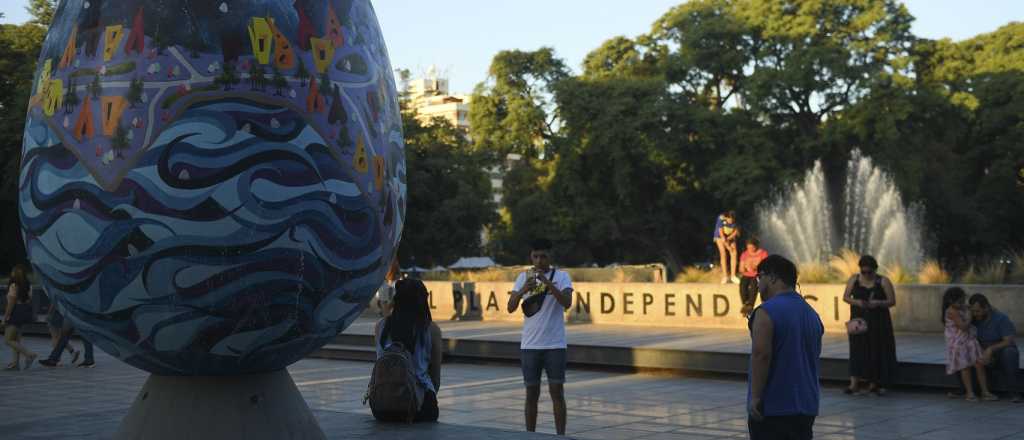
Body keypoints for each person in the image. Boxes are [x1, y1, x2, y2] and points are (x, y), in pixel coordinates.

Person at [748, 255, 823, 440]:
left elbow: (761, 355)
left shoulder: (766, 312)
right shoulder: (812, 314)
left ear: (772, 277)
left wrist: (756, 397)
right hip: (806, 405)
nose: (758, 284)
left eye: (759, 277)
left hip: (774, 406)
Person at [507, 238, 573, 436]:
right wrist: (523, 290)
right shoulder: (523, 277)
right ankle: (530, 435)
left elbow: (567, 302)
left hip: (555, 345)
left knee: (557, 392)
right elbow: (510, 307)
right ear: (531, 256)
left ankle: (560, 435)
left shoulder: (562, 276)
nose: (539, 261)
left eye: (543, 256)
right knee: (531, 394)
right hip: (530, 346)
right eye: (535, 256)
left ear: (550, 256)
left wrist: (547, 283)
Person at [373, 279, 443, 422]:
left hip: (382, 406)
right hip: (420, 408)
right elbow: (435, 377)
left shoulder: (381, 326)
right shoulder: (431, 329)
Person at [842, 255, 897, 395]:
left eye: (869, 272)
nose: (866, 275)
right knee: (856, 350)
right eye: (863, 272)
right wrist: (857, 302)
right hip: (858, 320)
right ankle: (854, 383)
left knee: (875, 349)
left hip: (878, 321)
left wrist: (878, 303)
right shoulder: (854, 280)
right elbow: (846, 297)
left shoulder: (883, 281)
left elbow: (892, 301)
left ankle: (874, 383)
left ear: (875, 270)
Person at [942, 287, 997, 401]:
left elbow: (971, 308)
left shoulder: (962, 307)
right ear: (951, 301)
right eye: (959, 302)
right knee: (965, 367)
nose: (962, 304)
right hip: (959, 343)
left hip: (969, 340)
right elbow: (963, 327)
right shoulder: (951, 311)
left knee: (979, 364)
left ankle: (985, 392)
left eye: (963, 301)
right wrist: (970, 317)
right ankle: (970, 393)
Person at [969, 294, 1021, 402]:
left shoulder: (1001, 318)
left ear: (986, 308)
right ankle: (966, 390)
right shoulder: (972, 319)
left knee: (1010, 352)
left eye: (978, 311)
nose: (975, 314)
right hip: (981, 354)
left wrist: (991, 350)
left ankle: (1014, 392)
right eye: (973, 311)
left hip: (999, 353)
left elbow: (1009, 341)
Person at [3, 264, 38, 370]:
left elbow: (11, 303)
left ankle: (29, 354)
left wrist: (6, 317)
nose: (11, 273)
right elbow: (29, 299)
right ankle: (15, 364)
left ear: (15, 274)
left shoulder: (14, 285)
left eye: (13, 272)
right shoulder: (28, 285)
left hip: (15, 313)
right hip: (24, 313)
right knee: (16, 339)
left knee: (8, 340)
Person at [738, 238, 768, 318]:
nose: (750, 250)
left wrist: (756, 267)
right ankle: (745, 304)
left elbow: (765, 267)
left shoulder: (763, 253)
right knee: (742, 286)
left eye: (752, 248)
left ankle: (750, 305)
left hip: (757, 274)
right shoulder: (745, 254)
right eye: (748, 248)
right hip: (747, 274)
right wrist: (745, 267)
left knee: (754, 286)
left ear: (756, 246)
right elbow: (741, 269)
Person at [46, 300, 80, 365]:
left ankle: (56, 359)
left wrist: (49, 314)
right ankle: (72, 352)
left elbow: (54, 301)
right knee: (60, 338)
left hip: (56, 314)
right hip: (64, 314)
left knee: (55, 337)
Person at [713, 211, 741, 284]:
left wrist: (729, 239)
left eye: (732, 219)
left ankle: (733, 276)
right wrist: (728, 247)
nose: (731, 221)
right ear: (726, 217)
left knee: (734, 252)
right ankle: (725, 276)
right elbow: (722, 235)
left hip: (730, 235)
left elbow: (735, 233)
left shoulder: (736, 222)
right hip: (720, 236)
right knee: (723, 254)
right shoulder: (721, 219)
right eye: (729, 219)